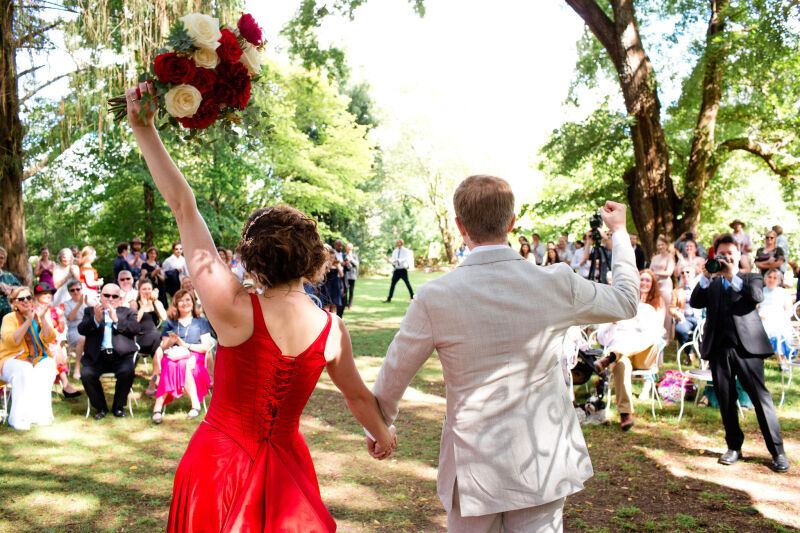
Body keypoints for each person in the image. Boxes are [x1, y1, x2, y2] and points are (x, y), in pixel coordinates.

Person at [126, 82, 395, 532]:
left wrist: (145, 128)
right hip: (286, 471)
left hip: (218, 466)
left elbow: (183, 207)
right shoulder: (333, 332)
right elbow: (356, 395)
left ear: (251, 258)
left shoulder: (232, 308)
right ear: (313, 259)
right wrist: (383, 436)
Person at [370, 175, 639, 531]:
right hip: (540, 464)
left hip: (473, 466)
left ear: (459, 225)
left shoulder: (435, 296)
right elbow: (626, 299)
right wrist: (618, 232)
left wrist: (379, 427)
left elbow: (393, 375)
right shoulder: (556, 282)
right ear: (512, 223)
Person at [689, 234, 789, 473]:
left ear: (738, 253)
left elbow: (756, 297)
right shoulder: (710, 282)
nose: (726, 257)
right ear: (715, 254)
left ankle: (777, 452)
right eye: (722, 253)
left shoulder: (751, 277)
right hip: (718, 348)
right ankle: (734, 446)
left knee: (760, 399)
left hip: (747, 348)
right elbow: (695, 302)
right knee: (725, 399)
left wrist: (731, 274)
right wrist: (705, 275)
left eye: (731, 253)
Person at [594, 269, 665, 429]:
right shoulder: (614, 309)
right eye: (640, 280)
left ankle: (611, 357)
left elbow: (653, 335)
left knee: (654, 336)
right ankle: (625, 414)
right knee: (622, 364)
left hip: (643, 355)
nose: (643, 284)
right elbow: (602, 339)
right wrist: (614, 323)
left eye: (647, 281)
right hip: (622, 355)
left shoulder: (648, 310)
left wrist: (639, 323)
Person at [78, 283, 139, 419]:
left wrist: (116, 320)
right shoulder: (90, 311)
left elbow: (135, 329)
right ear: (101, 296)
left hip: (121, 356)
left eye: (114, 296)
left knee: (127, 371)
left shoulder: (128, 312)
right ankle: (100, 408)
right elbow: (81, 329)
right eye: (107, 295)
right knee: (87, 374)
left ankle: (118, 407)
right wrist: (95, 319)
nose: (110, 298)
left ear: (120, 298)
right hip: (97, 357)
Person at [0, 286, 58, 430]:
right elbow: (12, 341)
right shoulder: (9, 318)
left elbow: (50, 336)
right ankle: (17, 418)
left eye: (28, 298)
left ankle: (41, 415)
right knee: (24, 369)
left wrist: (43, 318)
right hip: (11, 359)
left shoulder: (37, 316)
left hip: (35, 357)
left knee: (48, 365)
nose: (26, 301)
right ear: (14, 303)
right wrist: (27, 321)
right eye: (21, 299)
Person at [151, 289, 212, 423]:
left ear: (192, 302)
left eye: (187, 300)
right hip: (174, 355)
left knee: (184, 363)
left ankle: (158, 408)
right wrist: (171, 342)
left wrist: (186, 345)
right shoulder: (170, 323)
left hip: (196, 355)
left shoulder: (201, 322)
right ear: (176, 304)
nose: (185, 303)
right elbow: (163, 346)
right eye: (181, 300)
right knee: (171, 363)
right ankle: (193, 405)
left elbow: (205, 347)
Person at [33, 282, 81, 398]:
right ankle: (66, 385)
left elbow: (60, 330)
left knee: (57, 349)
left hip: (53, 341)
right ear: (37, 296)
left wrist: (61, 319)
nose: (47, 296)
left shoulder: (55, 310)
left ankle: (65, 384)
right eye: (43, 294)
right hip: (36, 342)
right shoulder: (33, 310)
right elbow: (36, 330)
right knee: (56, 351)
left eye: (49, 294)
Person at [134, 279, 167, 396]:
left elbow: (164, 316)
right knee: (160, 341)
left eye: (149, 289)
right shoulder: (134, 303)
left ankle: (153, 380)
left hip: (154, 338)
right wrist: (142, 307)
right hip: (139, 338)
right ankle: (157, 379)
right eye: (144, 289)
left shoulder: (156, 303)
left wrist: (156, 301)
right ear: (139, 290)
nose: (147, 292)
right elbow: (134, 322)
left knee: (159, 347)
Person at [758, 269, 793, 357]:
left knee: (779, 329)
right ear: (765, 278)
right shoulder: (760, 291)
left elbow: (789, 311)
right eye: (769, 277)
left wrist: (779, 317)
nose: (771, 280)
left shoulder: (783, 292)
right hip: (762, 318)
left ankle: (782, 359)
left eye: (775, 278)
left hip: (779, 318)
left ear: (779, 280)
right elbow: (754, 309)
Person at [671, 266, 701, 363]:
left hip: (699, 318)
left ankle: (704, 358)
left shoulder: (700, 288)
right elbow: (671, 307)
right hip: (685, 319)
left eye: (688, 272)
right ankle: (689, 352)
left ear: (693, 274)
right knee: (679, 329)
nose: (685, 274)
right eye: (683, 273)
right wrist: (678, 314)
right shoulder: (677, 291)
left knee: (705, 331)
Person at [650, 235, 675, 340]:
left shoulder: (670, 257)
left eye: (662, 245)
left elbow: (669, 272)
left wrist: (656, 272)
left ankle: (667, 336)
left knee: (666, 310)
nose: (660, 247)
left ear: (666, 245)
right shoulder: (655, 257)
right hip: (656, 284)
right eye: (658, 245)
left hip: (665, 285)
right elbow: (650, 269)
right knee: (655, 308)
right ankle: (656, 333)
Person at [61, 280, 87, 380]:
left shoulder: (88, 300)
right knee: (82, 339)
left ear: (81, 290)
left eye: (78, 289)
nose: (75, 292)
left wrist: (86, 302)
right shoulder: (67, 304)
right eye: (72, 290)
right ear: (69, 292)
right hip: (74, 330)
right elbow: (70, 317)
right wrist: (79, 304)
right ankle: (77, 367)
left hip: (88, 328)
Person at [383, 238, 415, 303]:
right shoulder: (395, 251)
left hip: (403, 270)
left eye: (400, 243)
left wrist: (399, 260)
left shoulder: (405, 250)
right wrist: (388, 260)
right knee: (392, 284)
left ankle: (412, 297)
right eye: (398, 243)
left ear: (402, 243)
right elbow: (393, 261)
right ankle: (389, 299)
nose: (399, 244)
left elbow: (406, 258)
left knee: (407, 283)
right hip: (397, 270)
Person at [0, 247, 21, 320]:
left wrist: (8, 288)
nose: (0, 260)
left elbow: (20, 289)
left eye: (2, 258)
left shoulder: (8, 275)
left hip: (8, 313)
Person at [322, 248, 343, 315]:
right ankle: (326, 320)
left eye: (333, 257)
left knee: (334, 305)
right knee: (327, 305)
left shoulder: (337, 263)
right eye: (331, 257)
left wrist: (338, 267)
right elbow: (322, 274)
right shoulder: (325, 263)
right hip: (327, 285)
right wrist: (328, 267)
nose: (332, 259)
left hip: (335, 285)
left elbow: (342, 275)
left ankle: (334, 322)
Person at [343, 242, 359, 308]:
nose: (348, 249)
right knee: (345, 290)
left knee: (351, 291)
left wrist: (351, 258)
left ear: (352, 248)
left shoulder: (354, 255)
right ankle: (345, 304)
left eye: (350, 248)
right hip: (346, 275)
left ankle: (350, 304)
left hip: (352, 276)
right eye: (347, 248)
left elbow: (357, 264)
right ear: (346, 248)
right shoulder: (343, 255)